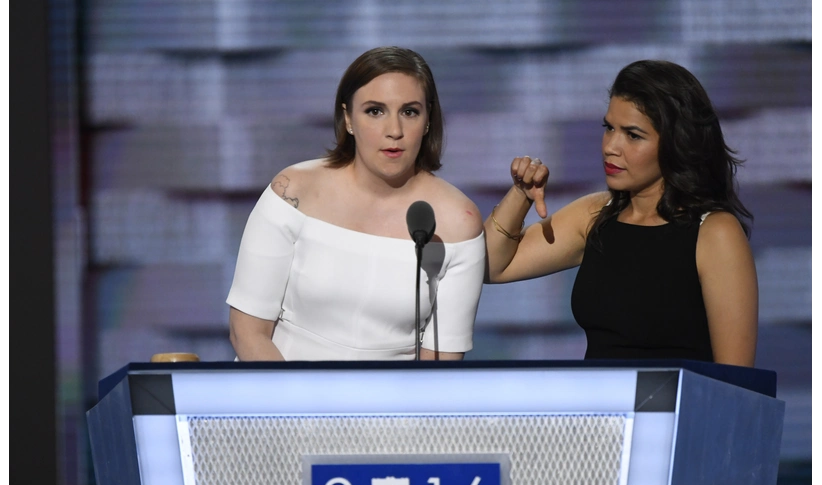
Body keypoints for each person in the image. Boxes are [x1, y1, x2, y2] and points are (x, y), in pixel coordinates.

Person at [485, 59, 758, 367]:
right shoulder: (594, 215)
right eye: (609, 128)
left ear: (676, 142)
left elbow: (736, 383)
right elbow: (490, 266)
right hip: (596, 414)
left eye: (632, 135)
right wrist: (521, 194)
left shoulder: (715, 233)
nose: (611, 147)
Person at [226, 46, 485, 361]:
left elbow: (440, 365)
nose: (394, 131)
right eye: (375, 111)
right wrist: (297, 408)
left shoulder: (457, 221)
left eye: (410, 111)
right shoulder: (292, 192)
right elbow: (247, 331)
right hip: (277, 399)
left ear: (428, 121)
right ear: (347, 118)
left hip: (392, 408)